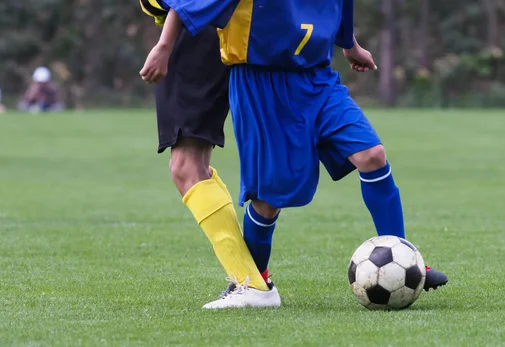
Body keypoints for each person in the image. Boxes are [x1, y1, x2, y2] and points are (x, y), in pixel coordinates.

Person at [146, 0, 449, 309]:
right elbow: (186, 6)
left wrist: (350, 46)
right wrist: (164, 47)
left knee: (372, 155)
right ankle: (252, 281)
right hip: (261, 84)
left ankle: (405, 255)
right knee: (268, 200)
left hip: (317, 79)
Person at [138, 2, 276, 304]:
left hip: (195, 34)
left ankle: (251, 284)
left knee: (187, 167)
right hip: (215, 32)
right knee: (194, 165)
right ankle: (254, 277)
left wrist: (164, 44)